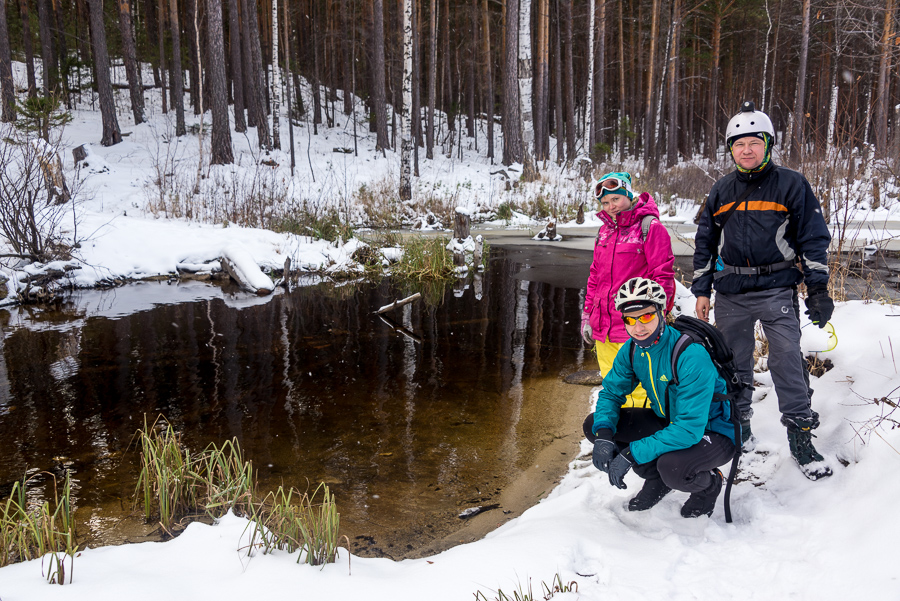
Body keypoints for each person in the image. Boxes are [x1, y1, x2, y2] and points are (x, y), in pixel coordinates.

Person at [691, 101, 834, 480]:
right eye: (739, 144)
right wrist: (702, 290)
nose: (747, 150)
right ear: (730, 149)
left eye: (754, 142)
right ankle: (740, 429)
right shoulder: (721, 190)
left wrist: (818, 289)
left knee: (786, 359)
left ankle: (801, 437)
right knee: (733, 365)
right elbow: (705, 243)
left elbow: (813, 238)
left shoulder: (791, 184)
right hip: (731, 291)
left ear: (768, 144)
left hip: (777, 287)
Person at [585, 277, 737, 517]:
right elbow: (612, 392)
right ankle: (657, 480)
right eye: (630, 319)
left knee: (674, 467)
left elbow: (689, 429)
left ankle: (708, 485)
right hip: (669, 421)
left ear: (661, 312)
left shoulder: (690, 355)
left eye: (646, 316)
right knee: (595, 425)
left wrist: (631, 454)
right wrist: (604, 436)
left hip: (713, 432)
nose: (638, 327)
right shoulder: (633, 348)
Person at [581, 171, 675, 408]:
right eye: (605, 202)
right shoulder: (604, 231)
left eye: (615, 199)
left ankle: (645, 439)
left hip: (635, 324)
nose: (610, 206)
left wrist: (656, 319)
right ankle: (620, 436)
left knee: (643, 387)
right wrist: (588, 315)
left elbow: (663, 277)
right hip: (604, 328)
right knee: (613, 385)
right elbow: (595, 277)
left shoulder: (649, 227)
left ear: (628, 195)